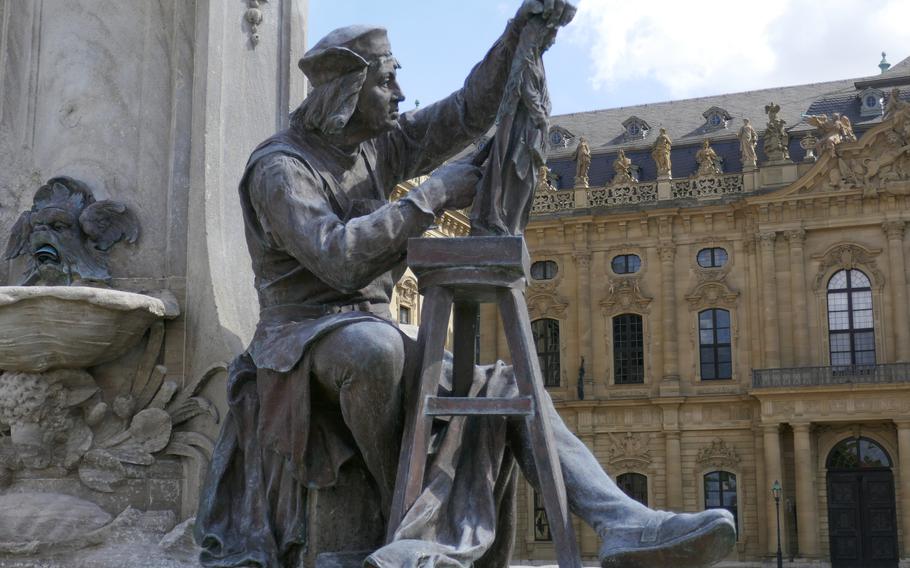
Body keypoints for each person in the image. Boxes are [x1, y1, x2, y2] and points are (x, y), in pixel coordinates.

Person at [195, 2, 736, 567]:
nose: (401, 94)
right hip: (297, 340)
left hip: (361, 328)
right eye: (387, 81)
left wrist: (525, 30)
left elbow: (469, 111)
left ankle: (623, 523)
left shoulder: (379, 146)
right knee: (377, 347)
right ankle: (401, 524)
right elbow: (340, 260)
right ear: (349, 92)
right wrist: (429, 196)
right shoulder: (281, 170)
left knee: (497, 383)